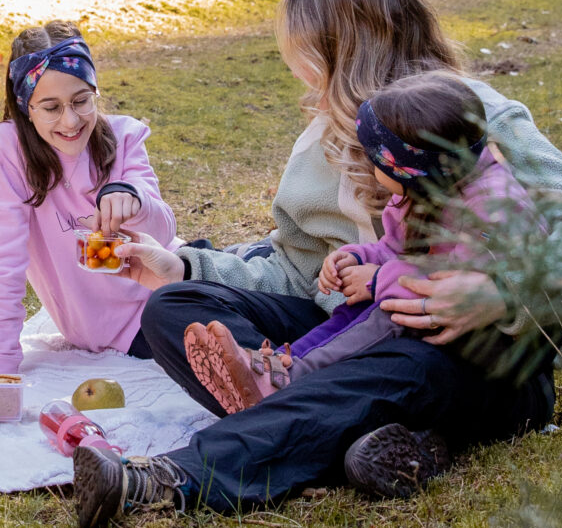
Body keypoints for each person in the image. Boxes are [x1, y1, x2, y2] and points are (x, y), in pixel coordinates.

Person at [71, 0, 562, 528]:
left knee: (406, 363)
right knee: (175, 309)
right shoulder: (321, 145)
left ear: (349, 53)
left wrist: (502, 293)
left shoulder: (470, 117)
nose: (300, 81)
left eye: (306, 62)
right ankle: (386, 441)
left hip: (471, 357)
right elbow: (294, 268)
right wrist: (181, 266)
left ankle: (164, 481)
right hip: (351, 332)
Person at [185, 71, 536, 402]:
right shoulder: (425, 189)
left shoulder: (491, 209)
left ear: (410, 170)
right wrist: (359, 258)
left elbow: (458, 288)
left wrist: (380, 279)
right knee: (353, 309)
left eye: (376, 162)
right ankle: (277, 366)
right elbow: (395, 249)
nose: (370, 168)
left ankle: (288, 380)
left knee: (382, 313)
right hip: (421, 301)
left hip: (481, 343)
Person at [0, 22, 175, 373]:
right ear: (26, 107)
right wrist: (1, 366)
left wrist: (135, 200)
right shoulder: (9, 152)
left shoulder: (122, 136)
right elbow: (2, 265)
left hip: (177, 278)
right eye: (51, 107)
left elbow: (164, 234)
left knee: (260, 278)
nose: (70, 120)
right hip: (131, 329)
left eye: (81, 101)